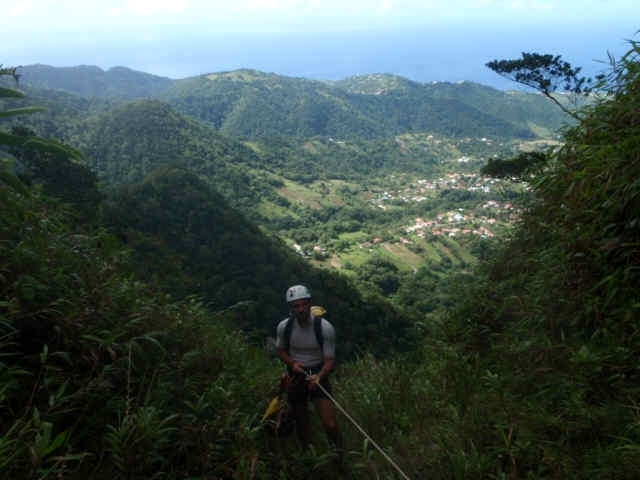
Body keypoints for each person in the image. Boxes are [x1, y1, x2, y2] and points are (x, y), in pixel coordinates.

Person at [276, 284, 342, 452]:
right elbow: (280, 350)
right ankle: (308, 455)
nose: (300, 309)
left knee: (330, 423)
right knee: (302, 422)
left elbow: (329, 360)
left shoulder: (324, 328)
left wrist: (319, 376)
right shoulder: (284, 327)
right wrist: (292, 363)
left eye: (303, 304)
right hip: (296, 374)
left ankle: (339, 454)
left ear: (310, 303)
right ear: (291, 308)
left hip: (318, 372)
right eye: (296, 306)